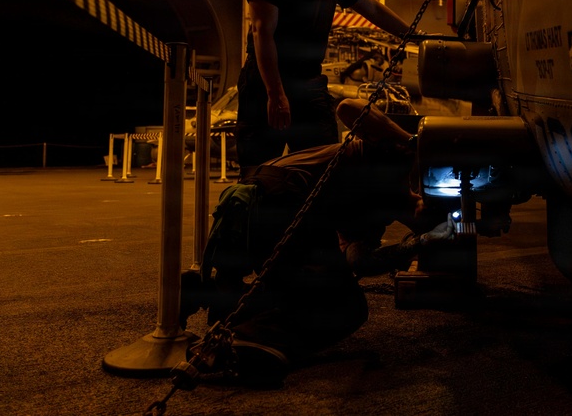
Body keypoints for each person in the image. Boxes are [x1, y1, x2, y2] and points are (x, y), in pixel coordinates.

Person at [183, 98, 454, 384]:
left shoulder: (373, 217)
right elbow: (347, 108)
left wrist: (419, 243)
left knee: (310, 288)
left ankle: (207, 294)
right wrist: (413, 142)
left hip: (254, 207)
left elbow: (357, 261)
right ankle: (250, 339)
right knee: (346, 306)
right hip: (275, 200)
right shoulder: (395, 156)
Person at [235, 0, 411, 179]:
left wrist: (414, 36)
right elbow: (262, 32)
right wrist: (275, 93)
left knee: (324, 169)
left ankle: (315, 222)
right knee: (258, 171)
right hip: (265, 84)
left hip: (310, 85)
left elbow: (372, 8)